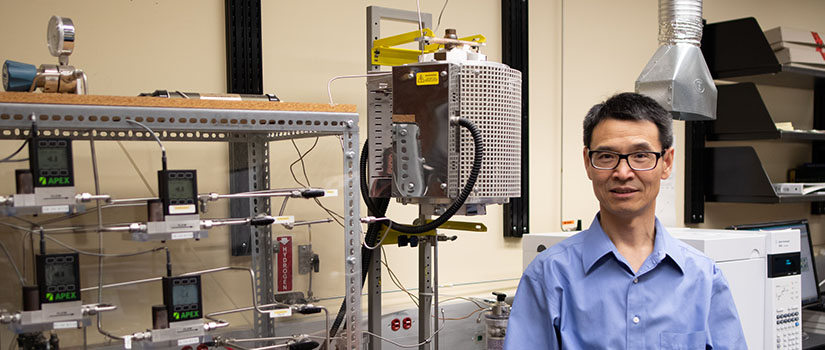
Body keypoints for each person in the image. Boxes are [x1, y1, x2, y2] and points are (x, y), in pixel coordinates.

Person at [503, 93, 746, 349]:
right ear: (588, 162)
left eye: (641, 156)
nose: (623, 173)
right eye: (606, 156)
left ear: (667, 162)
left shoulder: (703, 278)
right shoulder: (549, 276)